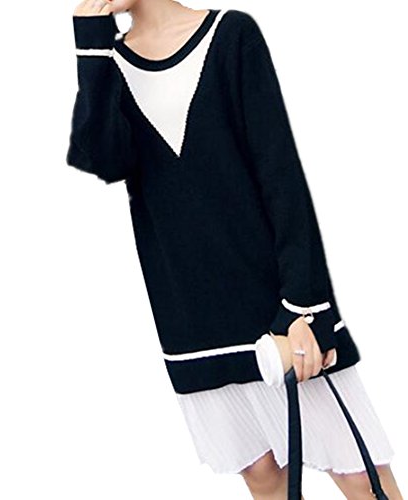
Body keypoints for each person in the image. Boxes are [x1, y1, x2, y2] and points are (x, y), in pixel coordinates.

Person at [66, 1, 402, 498]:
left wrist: (303, 305)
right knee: (262, 475)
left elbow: (281, 175)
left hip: (274, 300)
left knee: (360, 476)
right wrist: (91, 47)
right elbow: (103, 159)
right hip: (190, 314)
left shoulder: (230, 35)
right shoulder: (110, 62)